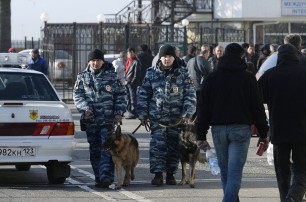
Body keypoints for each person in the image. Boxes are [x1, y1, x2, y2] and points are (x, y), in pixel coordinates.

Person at [196, 43, 269, 202]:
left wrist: (200, 134)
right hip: (241, 129)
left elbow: (203, 109)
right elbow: (257, 108)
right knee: (235, 172)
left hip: (218, 130)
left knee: (225, 171)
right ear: (242, 57)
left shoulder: (211, 78)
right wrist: (264, 133)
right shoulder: (248, 78)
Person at [137, 45, 196, 186]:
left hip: (177, 119)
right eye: (164, 56)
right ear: (160, 57)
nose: (167, 59)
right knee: (157, 147)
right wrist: (143, 114)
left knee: (174, 147)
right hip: (157, 119)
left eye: (169, 56)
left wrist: (187, 113)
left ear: (174, 58)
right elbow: (144, 95)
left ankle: (170, 174)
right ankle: (158, 175)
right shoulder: (151, 73)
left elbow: (190, 95)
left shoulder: (182, 73)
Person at [258, 44, 306, 202]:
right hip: (302, 130)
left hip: (279, 130)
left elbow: (259, 100)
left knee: (282, 170)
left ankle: (286, 198)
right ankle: (295, 195)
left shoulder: (270, 75)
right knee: (302, 167)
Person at [73, 49, 127, 188]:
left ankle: (106, 176)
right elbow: (78, 96)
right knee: (95, 150)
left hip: (108, 121)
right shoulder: (82, 77)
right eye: (93, 60)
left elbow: (121, 95)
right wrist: (85, 108)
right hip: (91, 121)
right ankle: (98, 177)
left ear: (103, 61)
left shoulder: (112, 77)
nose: (95, 63)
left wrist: (119, 112)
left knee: (107, 149)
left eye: (98, 60)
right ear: (89, 62)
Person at [186, 49, 212, 119]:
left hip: (191, 87)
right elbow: (211, 74)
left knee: (192, 106)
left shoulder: (190, 61)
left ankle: (191, 123)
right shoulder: (204, 61)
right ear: (206, 54)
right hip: (201, 88)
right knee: (200, 108)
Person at [125, 47, 142, 119]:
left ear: (134, 53)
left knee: (133, 97)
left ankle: (134, 112)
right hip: (127, 82)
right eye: (129, 53)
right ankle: (129, 111)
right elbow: (126, 71)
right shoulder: (128, 61)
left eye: (131, 52)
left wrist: (132, 82)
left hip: (132, 83)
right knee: (128, 97)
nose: (130, 54)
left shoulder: (136, 61)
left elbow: (137, 74)